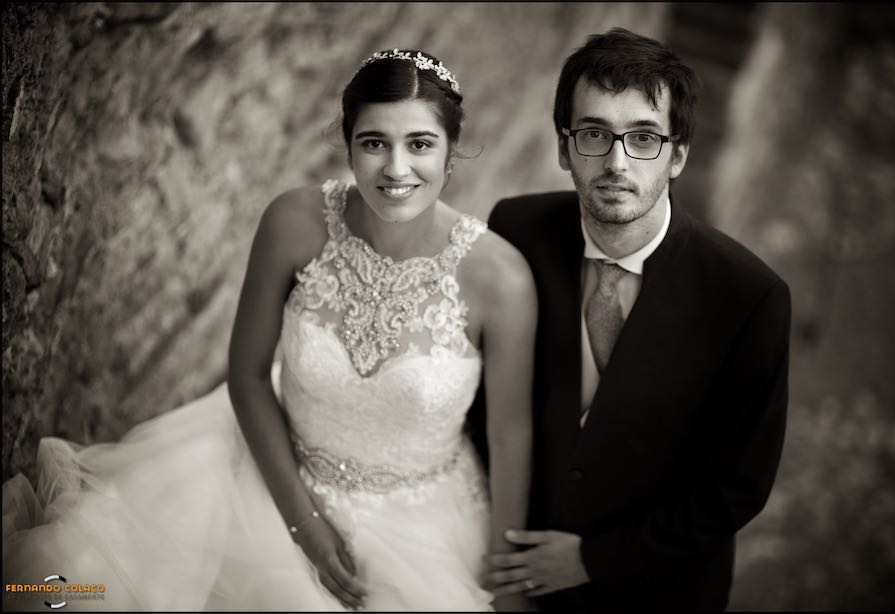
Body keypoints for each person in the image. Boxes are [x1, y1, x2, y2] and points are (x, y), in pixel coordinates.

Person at [2, 49, 536, 612]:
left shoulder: (501, 280)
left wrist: (507, 582)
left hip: (428, 529)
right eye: (374, 142)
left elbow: (510, 437)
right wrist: (303, 523)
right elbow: (250, 374)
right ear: (349, 145)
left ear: (451, 154)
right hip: (265, 476)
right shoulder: (294, 222)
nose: (396, 169)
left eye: (420, 144)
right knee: (66, 587)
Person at [482, 27, 791, 611]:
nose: (617, 162)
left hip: (656, 590)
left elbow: (738, 487)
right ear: (564, 147)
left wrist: (591, 560)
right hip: (511, 571)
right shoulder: (513, 231)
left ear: (678, 155)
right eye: (595, 134)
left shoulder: (750, 298)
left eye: (644, 138)